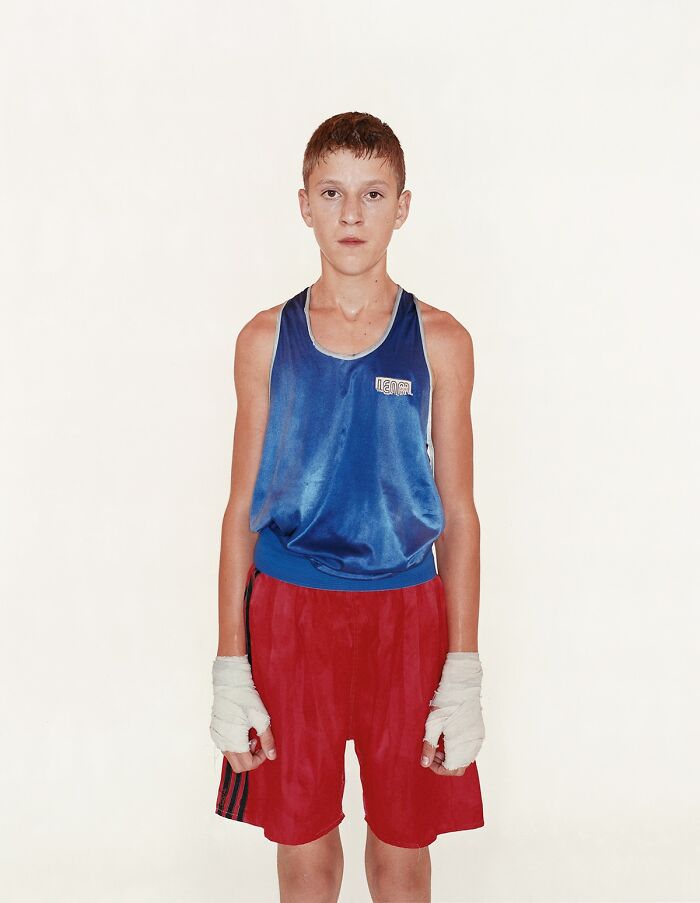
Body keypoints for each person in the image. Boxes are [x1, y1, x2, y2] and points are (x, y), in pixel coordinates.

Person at [210, 111, 485, 903]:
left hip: (406, 613)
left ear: (403, 206)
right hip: (292, 617)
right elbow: (239, 511)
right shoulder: (265, 339)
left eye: (372, 194)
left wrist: (461, 668)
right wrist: (233, 664)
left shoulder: (442, 341)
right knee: (302, 843)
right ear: (304, 203)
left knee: (403, 845)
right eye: (333, 192)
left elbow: (460, 514)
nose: (352, 215)